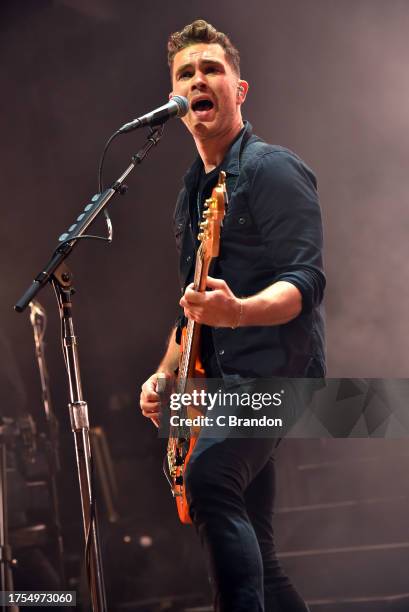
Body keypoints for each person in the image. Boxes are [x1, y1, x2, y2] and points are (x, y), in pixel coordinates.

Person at [140, 19, 325, 612]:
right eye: (185, 73)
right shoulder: (191, 192)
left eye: (211, 68)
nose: (199, 79)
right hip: (222, 387)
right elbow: (190, 314)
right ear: (176, 98)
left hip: (278, 374)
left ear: (238, 90)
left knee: (211, 479)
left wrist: (239, 312)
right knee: (261, 557)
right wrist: (164, 374)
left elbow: (306, 283)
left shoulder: (273, 169)